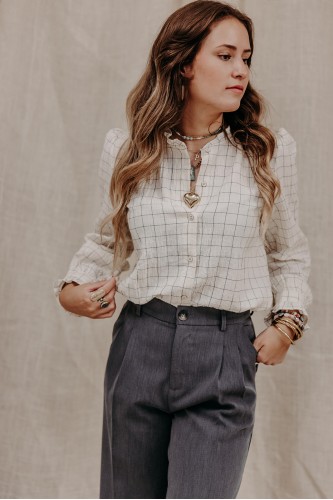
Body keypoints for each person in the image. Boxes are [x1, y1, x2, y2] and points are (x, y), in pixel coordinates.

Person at [54, 1, 312, 498]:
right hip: (140, 344)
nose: (241, 70)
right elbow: (103, 240)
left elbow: (288, 252)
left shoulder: (268, 151)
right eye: (226, 55)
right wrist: (71, 292)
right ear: (185, 62)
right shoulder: (128, 148)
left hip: (224, 353)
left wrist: (288, 324)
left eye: (247, 58)